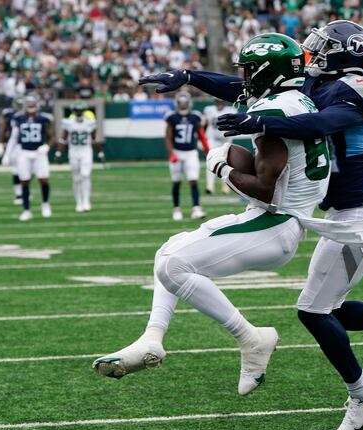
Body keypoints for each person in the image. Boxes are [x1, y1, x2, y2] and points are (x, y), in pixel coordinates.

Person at [138, 21, 363, 430]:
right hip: (339, 217)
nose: (314, 52)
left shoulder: (357, 88)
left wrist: (262, 123)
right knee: (330, 310)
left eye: (325, 46)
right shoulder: (314, 84)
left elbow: (322, 123)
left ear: (350, 52)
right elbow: (251, 86)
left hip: (359, 218)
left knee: (314, 311)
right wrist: (191, 77)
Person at [93, 33, 332, 398]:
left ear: (270, 71)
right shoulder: (294, 100)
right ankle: (151, 339)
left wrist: (221, 169)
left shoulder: (273, 112)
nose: (246, 78)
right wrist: (189, 78)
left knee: (175, 267)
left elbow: (264, 187)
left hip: (276, 221)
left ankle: (251, 338)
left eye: (251, 70)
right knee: (169, 250)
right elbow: (236, 93)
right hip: (281, 216)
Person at [6, 95, 54, 221]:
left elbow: (51, 136)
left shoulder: (44, 118)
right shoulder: (19, 118)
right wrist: (7, 153)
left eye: (32, 103)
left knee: (43, 179)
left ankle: (45, 204)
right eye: (28, 103)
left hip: (39, 153)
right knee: (24, 181)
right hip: (24, 152)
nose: (30, 105)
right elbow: (14, 137)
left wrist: (47, 146)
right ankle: (26, 210)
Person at [165, 91, 209, 220]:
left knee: (193, 180)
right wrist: (171, 153)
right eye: (181, 102)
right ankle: (176, 208)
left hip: (191, 152)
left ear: (189, 103)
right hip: (177, 152)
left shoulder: (195, 116)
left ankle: (196, 208)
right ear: (177, 103)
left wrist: (206, 148)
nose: (183, 105)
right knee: (176, 182)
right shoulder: (172, 117)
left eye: (185, 102)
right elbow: (168, 137)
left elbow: (201, 133)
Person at [56, 101, 104, 212]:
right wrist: (58, 152)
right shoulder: (69, 123)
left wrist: (100, 152)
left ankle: (86, 201)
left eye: (80, 110)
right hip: (73, 151)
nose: (79, 112)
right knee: (76, 178)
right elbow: (63, 138)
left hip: (86, 151)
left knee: (85, 175)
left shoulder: (90, 123)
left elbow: (94, 139)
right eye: (77, 110)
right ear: (74, 111)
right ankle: (78, 202)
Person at [202, 99, 237, 194]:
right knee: (210, 161)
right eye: (218, 102)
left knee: (226, 162)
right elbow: (205, 124)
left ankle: (225, 186)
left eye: (221, 102)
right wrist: (202, 139)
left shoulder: (231, 110)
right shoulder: (209, 110)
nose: (219, 104)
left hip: (225, 139)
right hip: (212, 139)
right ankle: (210, 186)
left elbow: (234, 124)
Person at [0, 97, 23, 205]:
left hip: (28, 145)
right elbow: (4, 129)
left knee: (29, 171)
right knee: (16, 170)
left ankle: (24, 191)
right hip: (15, 145)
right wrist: (0, 144)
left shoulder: (31, 115)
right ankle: (19, 194)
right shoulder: (9, 114)